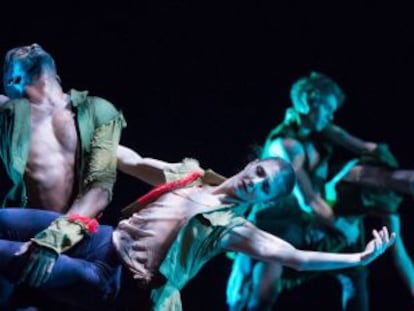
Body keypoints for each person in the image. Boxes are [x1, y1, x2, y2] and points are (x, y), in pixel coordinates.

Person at [0, 156, 395, 311]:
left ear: (265, 199)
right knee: (8, 220)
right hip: (99, 238)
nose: (253, 183)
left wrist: (358, 258)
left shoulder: (232, 228)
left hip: (114, 279)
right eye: (259, 173)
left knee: (18, 258)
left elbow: (293, 256)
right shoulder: (191, 177)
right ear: (252, 164)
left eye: (264, 188)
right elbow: (132, 160)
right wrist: (77, 118)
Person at [226, 71, 414, 311]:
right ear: (309, 102)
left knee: (355, 272)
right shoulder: (286, 144)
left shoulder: (321, 133)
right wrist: (339, 225)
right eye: (327, 108)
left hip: (305, 222)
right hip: (276, 221)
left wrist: (375, 151)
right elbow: (309, 200)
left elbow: (358, 144)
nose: (330, 115)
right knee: (262, 291)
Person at [0, 43, 127, 308]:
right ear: (12, 81)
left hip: (78, 243)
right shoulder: (7, 114)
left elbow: (102, 183)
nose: (33, 44)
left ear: (57, 77)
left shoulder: (96, 111)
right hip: (19, 243)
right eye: (18, 52)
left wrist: (55, 238)